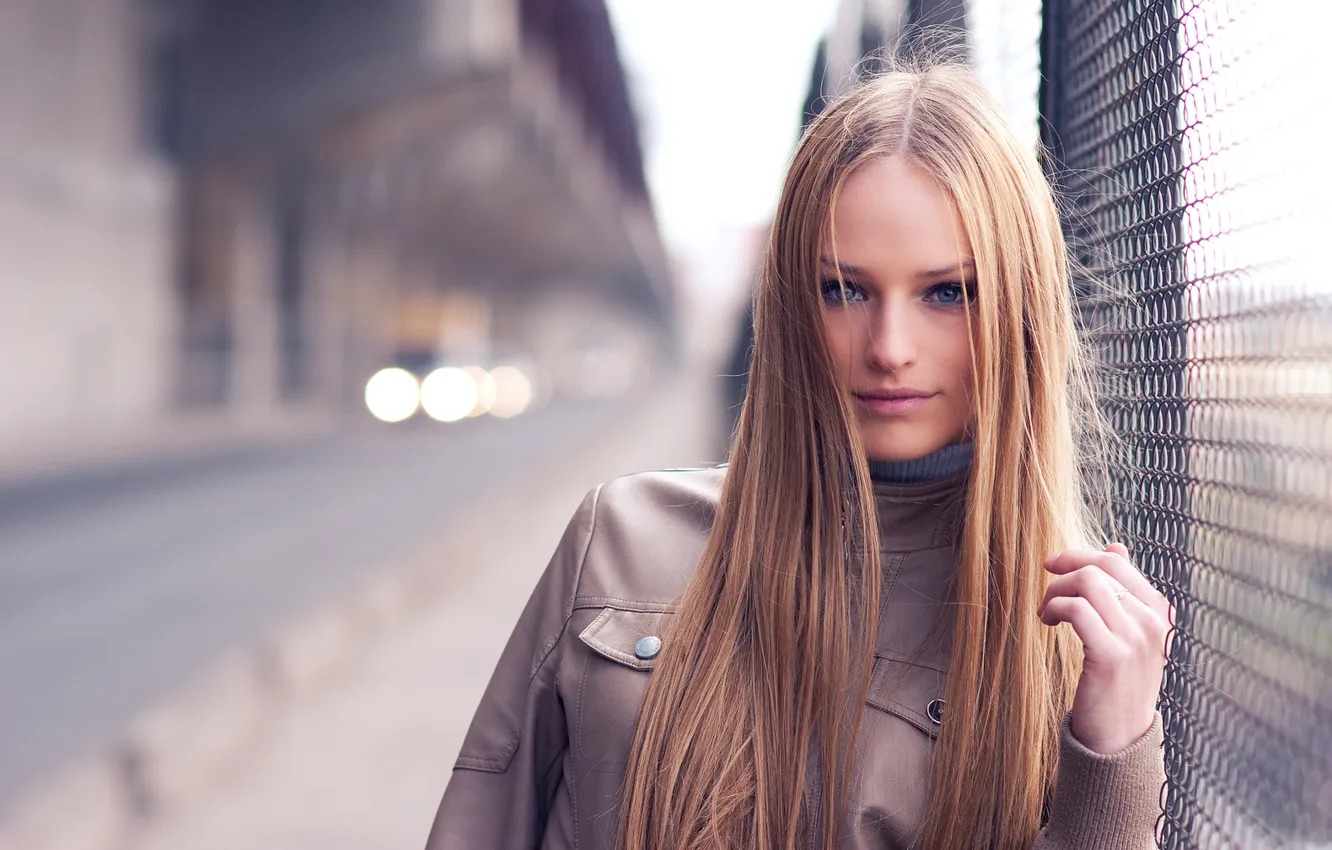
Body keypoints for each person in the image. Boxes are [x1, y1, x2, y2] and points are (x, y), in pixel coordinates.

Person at [425, 60, 1171, 850]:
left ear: (1022, 314)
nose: (889, 349)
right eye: (845, 290)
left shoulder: (1061, 645)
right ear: (789, 304)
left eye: (948, 293)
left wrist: (1111, 762)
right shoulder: (618, 542)